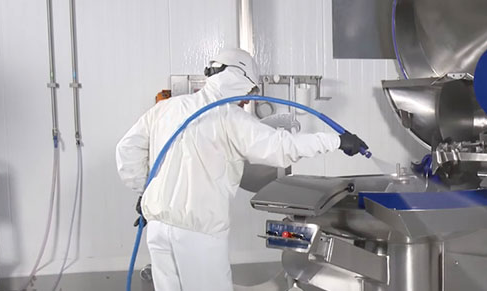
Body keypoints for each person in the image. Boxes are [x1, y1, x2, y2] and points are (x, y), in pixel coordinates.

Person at [115, 48, 367, 291]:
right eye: (249, 90)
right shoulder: (228, 117)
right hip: (198, 234)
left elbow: (126, 150)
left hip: (157, 228)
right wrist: (337, 141)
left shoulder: (166, 109)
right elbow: (281, 147)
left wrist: (146, 191)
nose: (248, 99)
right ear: (237, 78)